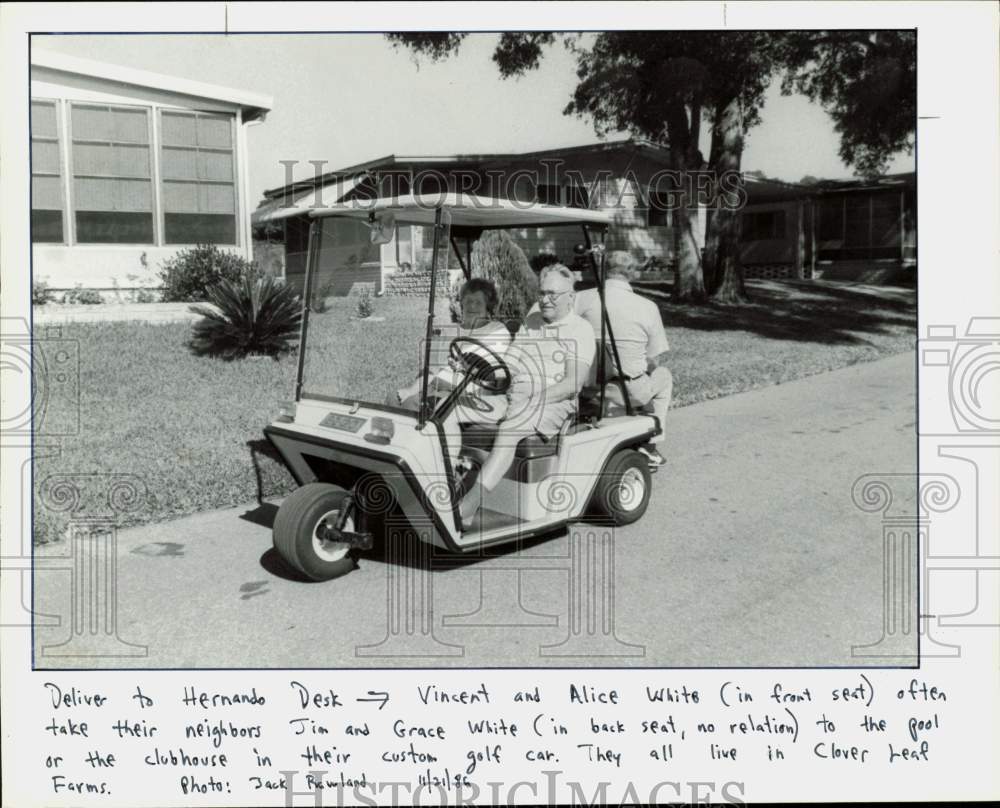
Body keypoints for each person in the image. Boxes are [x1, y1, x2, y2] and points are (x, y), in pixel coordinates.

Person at [458, 264, 595, 528]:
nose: (545, 299)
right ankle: (444, 483)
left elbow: (573, 384)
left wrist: (533, 400)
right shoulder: (531, 322)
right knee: (451, 409)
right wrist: (484, 372)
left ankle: (469, 505)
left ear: (571, 297)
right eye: (542, 293)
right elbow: (510, 363)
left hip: (552, 402)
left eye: (553, 294)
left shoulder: (580, 330)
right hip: (513, 395)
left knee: (509, 428)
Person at [575, 250, 672, 468]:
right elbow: (653, 358)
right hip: (628, 391)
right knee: (663, 376)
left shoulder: (581, 299)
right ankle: (650, 443)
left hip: (586, 387)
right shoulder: (647, 306)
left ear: (604, 270)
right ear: (631, 273)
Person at [394, 278, 511, 411]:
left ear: (488, 306)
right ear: (462, 304)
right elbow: (432, 370)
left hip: (468, 393)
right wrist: (410, 390)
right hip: (436, 385)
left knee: (415, 408)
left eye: (478, 302)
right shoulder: (449, 330)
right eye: (468, 301)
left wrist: (464, 367)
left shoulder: (497, 330)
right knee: (394, 399)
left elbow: (495, 375)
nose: (472, 306)